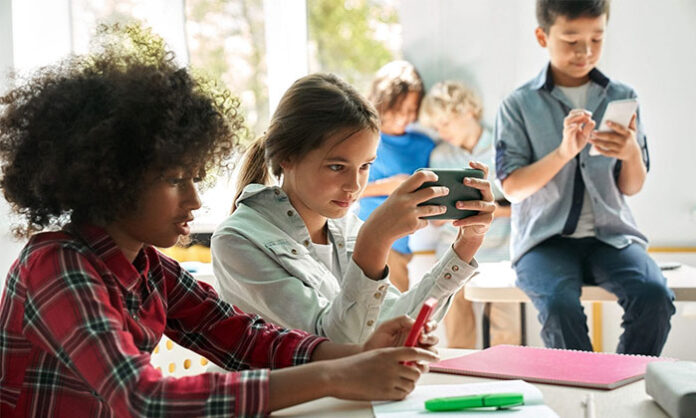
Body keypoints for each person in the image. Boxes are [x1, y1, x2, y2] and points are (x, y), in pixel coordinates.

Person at [0, 24, 440, 418]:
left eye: (194, 177)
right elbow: (144, 399)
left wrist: (356, 354)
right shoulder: (56, 266)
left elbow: (246, 338)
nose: (194, 199)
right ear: (112, 179)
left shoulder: (151, 269)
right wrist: (336, 375)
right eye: (175, 180)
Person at [210, 72, 496, 344]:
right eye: (337, 166)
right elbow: (335, 347)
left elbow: (394, 323)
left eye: (365, 166)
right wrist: (375, 239)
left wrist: (467, 243)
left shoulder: (345, 227)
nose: (354, 185)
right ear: (287, 156)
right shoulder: (237, 241)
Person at [494, 0, 675, 355]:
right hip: (544, 241)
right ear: (542, 36)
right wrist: (563, 153)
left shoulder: (623, 97)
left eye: (597, 38)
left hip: (612, 236)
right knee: (560, 308)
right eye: (572, 40)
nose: (586, 51)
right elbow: (512, 188)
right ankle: (581, 395)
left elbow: (631, 187)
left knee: (654, 297)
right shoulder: (517, 105)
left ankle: (621, 388)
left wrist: (630, 154)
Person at [420, 80, 519, 348]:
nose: (442, 131)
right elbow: (437, 216)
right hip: (452, 252)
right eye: (437, 126)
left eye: (446, 123)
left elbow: (522, 202)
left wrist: (491, 211)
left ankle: (505, 380)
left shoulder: (504, 148)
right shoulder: (440, 156)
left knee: (506, 331)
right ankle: (459, 381)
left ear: (468, 112)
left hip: (500, 254)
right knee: (457, 331)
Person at [357, 61, 434, 291]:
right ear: (383, 101)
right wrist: (390, 186)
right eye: (399, 109)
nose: (405, 117)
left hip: (404, 244)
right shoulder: (364, 138)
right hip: (368, 238)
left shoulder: (424, 145)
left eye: (411, 110)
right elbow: (345, 190)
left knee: (395, 316)